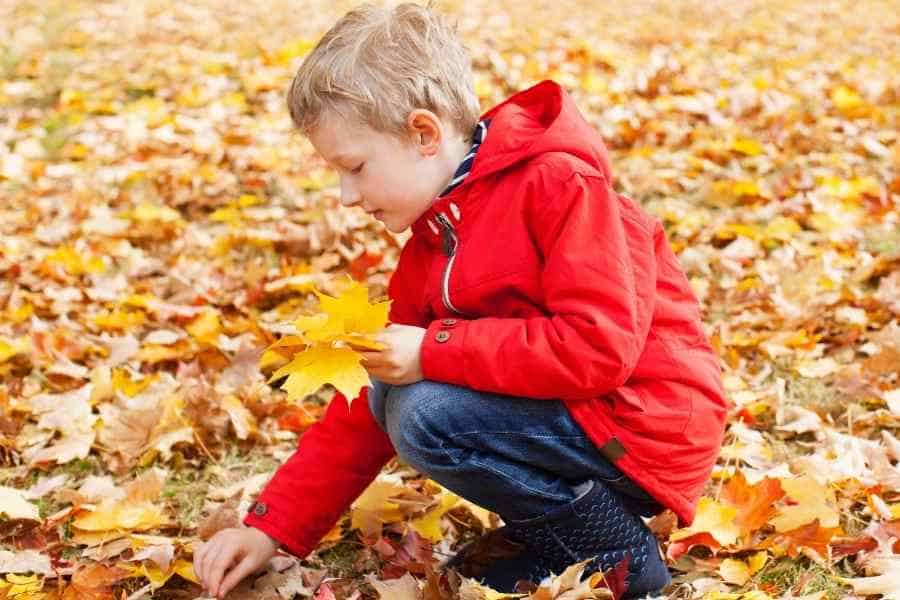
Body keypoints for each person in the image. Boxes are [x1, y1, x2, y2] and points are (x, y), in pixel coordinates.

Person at [193, 3, 728, 598]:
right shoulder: (434, 236)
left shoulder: (559, 187)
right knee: (399, 394)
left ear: (424, 133)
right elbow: (367, 398)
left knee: (426, 413)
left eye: (355, 168)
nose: (346, 196)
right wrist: (272, 529)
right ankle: (554, 534)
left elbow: (598, 348)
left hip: (641, 425)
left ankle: (611, 549)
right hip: (577, 422)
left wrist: (434, 350)